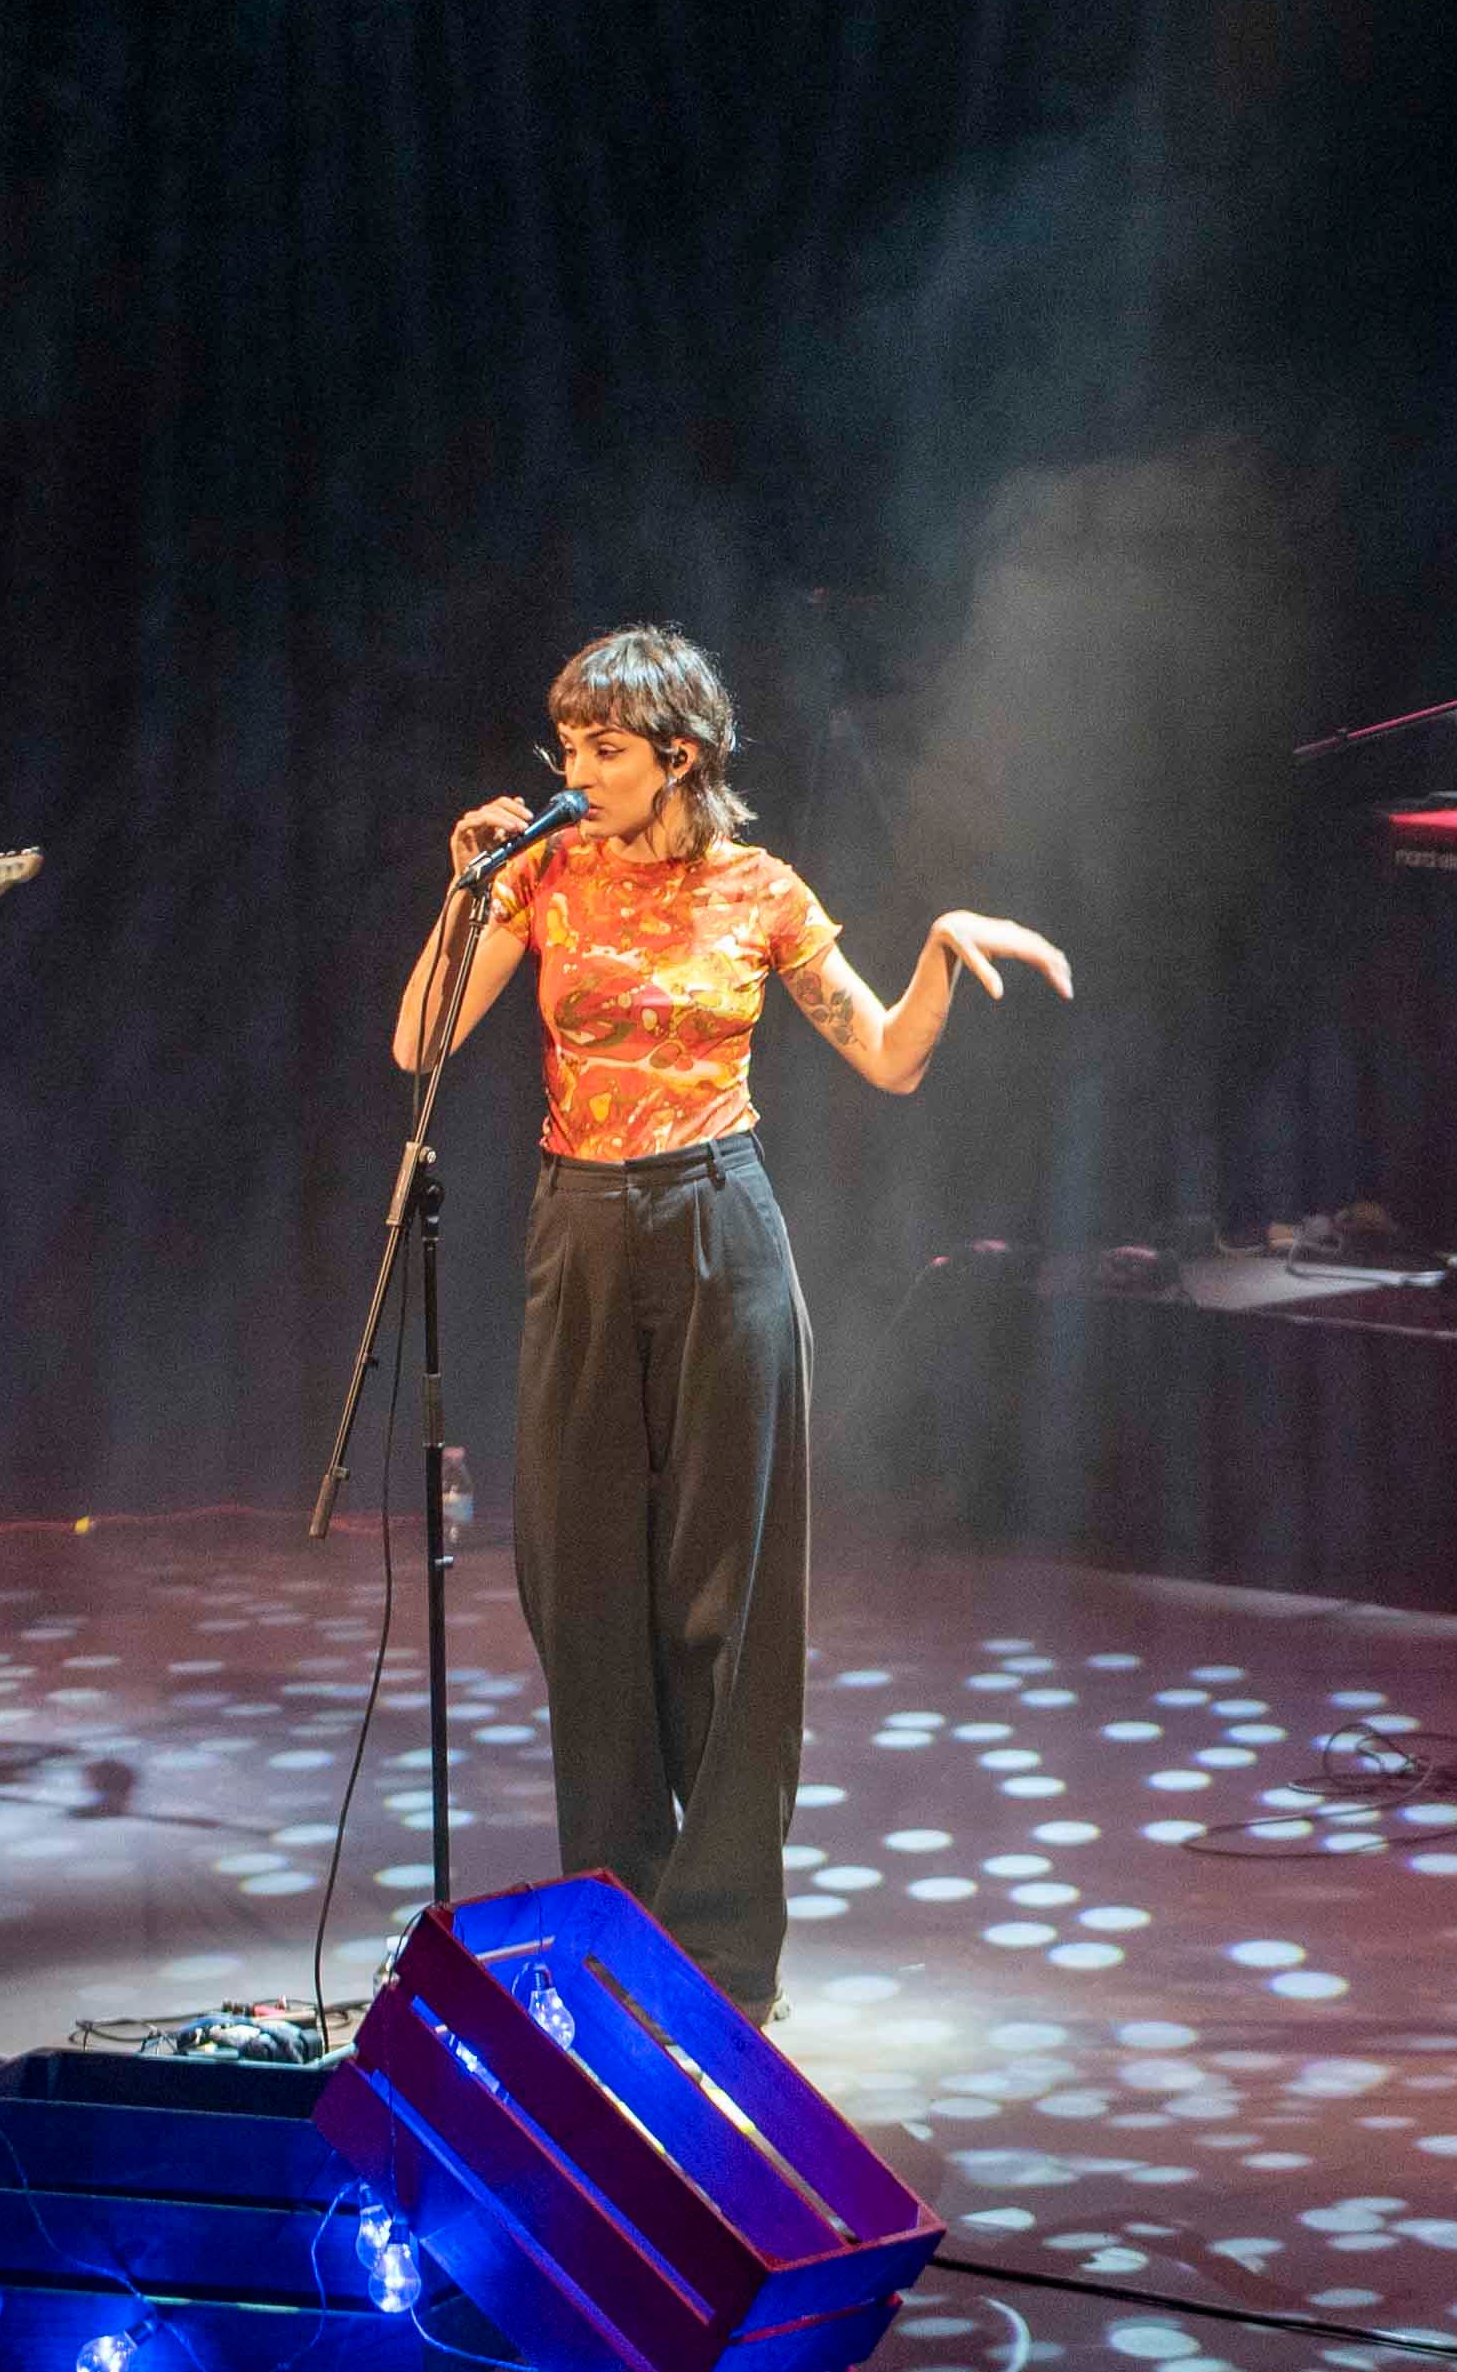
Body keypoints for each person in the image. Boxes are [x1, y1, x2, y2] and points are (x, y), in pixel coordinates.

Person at [394, 627, 1071, 2014]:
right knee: (582, 1585)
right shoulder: (547, 878)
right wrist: (465, 896)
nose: (572, 771)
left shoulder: (758, 891)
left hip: (720, 1224)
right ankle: (615, 1924)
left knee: (731, 1594)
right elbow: (418, 1045)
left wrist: (939, 951)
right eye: (565, 743)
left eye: (601, 749)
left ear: (676, 758)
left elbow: (884, 1056)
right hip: (580, 1224)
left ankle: (725, 1959)